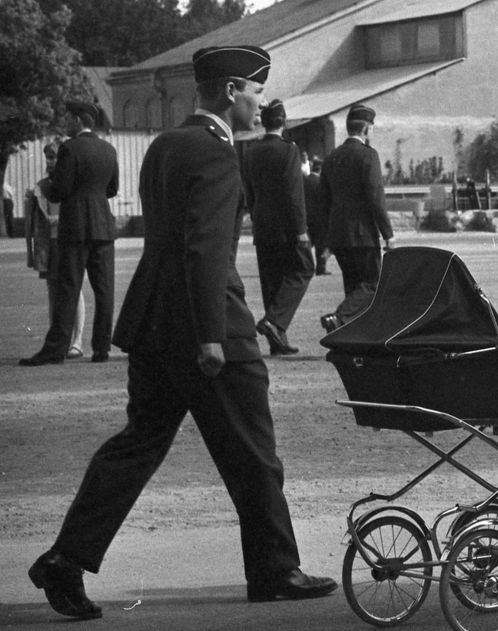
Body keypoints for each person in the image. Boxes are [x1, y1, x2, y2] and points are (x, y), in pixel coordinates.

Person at [26, 45, 336, 621]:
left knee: (137, 446)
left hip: (153, 321)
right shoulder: (217, 153)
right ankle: (275, 570)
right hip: (207, 324)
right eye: (255, 92)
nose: (259, 102)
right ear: (230, 91)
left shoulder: (166, 145)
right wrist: (211, 336)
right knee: (256, 454)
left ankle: (66, 559)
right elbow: (206, 247)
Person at [19, 100, 118, 366]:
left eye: (67, 118)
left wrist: (44, 187)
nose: (65, 123)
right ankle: (101, 349)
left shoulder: (70, 148)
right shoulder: (108, 149)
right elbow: (112, 189)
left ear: (77, 120)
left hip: (75, 228)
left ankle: (55, 350)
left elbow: (60, 190)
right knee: (104, 291)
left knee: (67, 289)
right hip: (103, 227)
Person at [242, 99, 313, 355]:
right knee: (304, 269)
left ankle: (277, 341)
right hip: (286, 225)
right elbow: (294, 194)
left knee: (271, 281)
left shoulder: (251, 151)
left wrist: (256, 217)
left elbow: (249, 191)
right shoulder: (289, 150)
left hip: (262, 224)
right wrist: (301, 229)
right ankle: (274, 322)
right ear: (284, 122)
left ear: (264, 122)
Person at [319, 104, 393, 333]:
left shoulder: (331, 157)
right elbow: (376, 198)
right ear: (367, 129)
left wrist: (326, 239)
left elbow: (323, 202)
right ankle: (339, 318)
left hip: (338, 235)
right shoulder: (368, 155)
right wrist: (388, 234)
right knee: (373, 284)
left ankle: (351, 337)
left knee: (353, 289)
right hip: (363, 235)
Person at [25, 143, 86, 359]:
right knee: (53, 292)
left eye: (53, 157)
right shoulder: (41, 186)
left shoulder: (72, 184)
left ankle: (77, 340)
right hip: (48, 245)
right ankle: (56, 342)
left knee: (74, 289)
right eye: (47, 157)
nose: (50, 161)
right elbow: (34, 222)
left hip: (68, 242)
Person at [303, 155, 331, 275]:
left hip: (306, 217)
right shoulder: (321, 182)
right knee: (321, 244)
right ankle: (321, 267)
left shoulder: (305, 180)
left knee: (307, 244)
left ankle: (305, 267)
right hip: (319, 218)